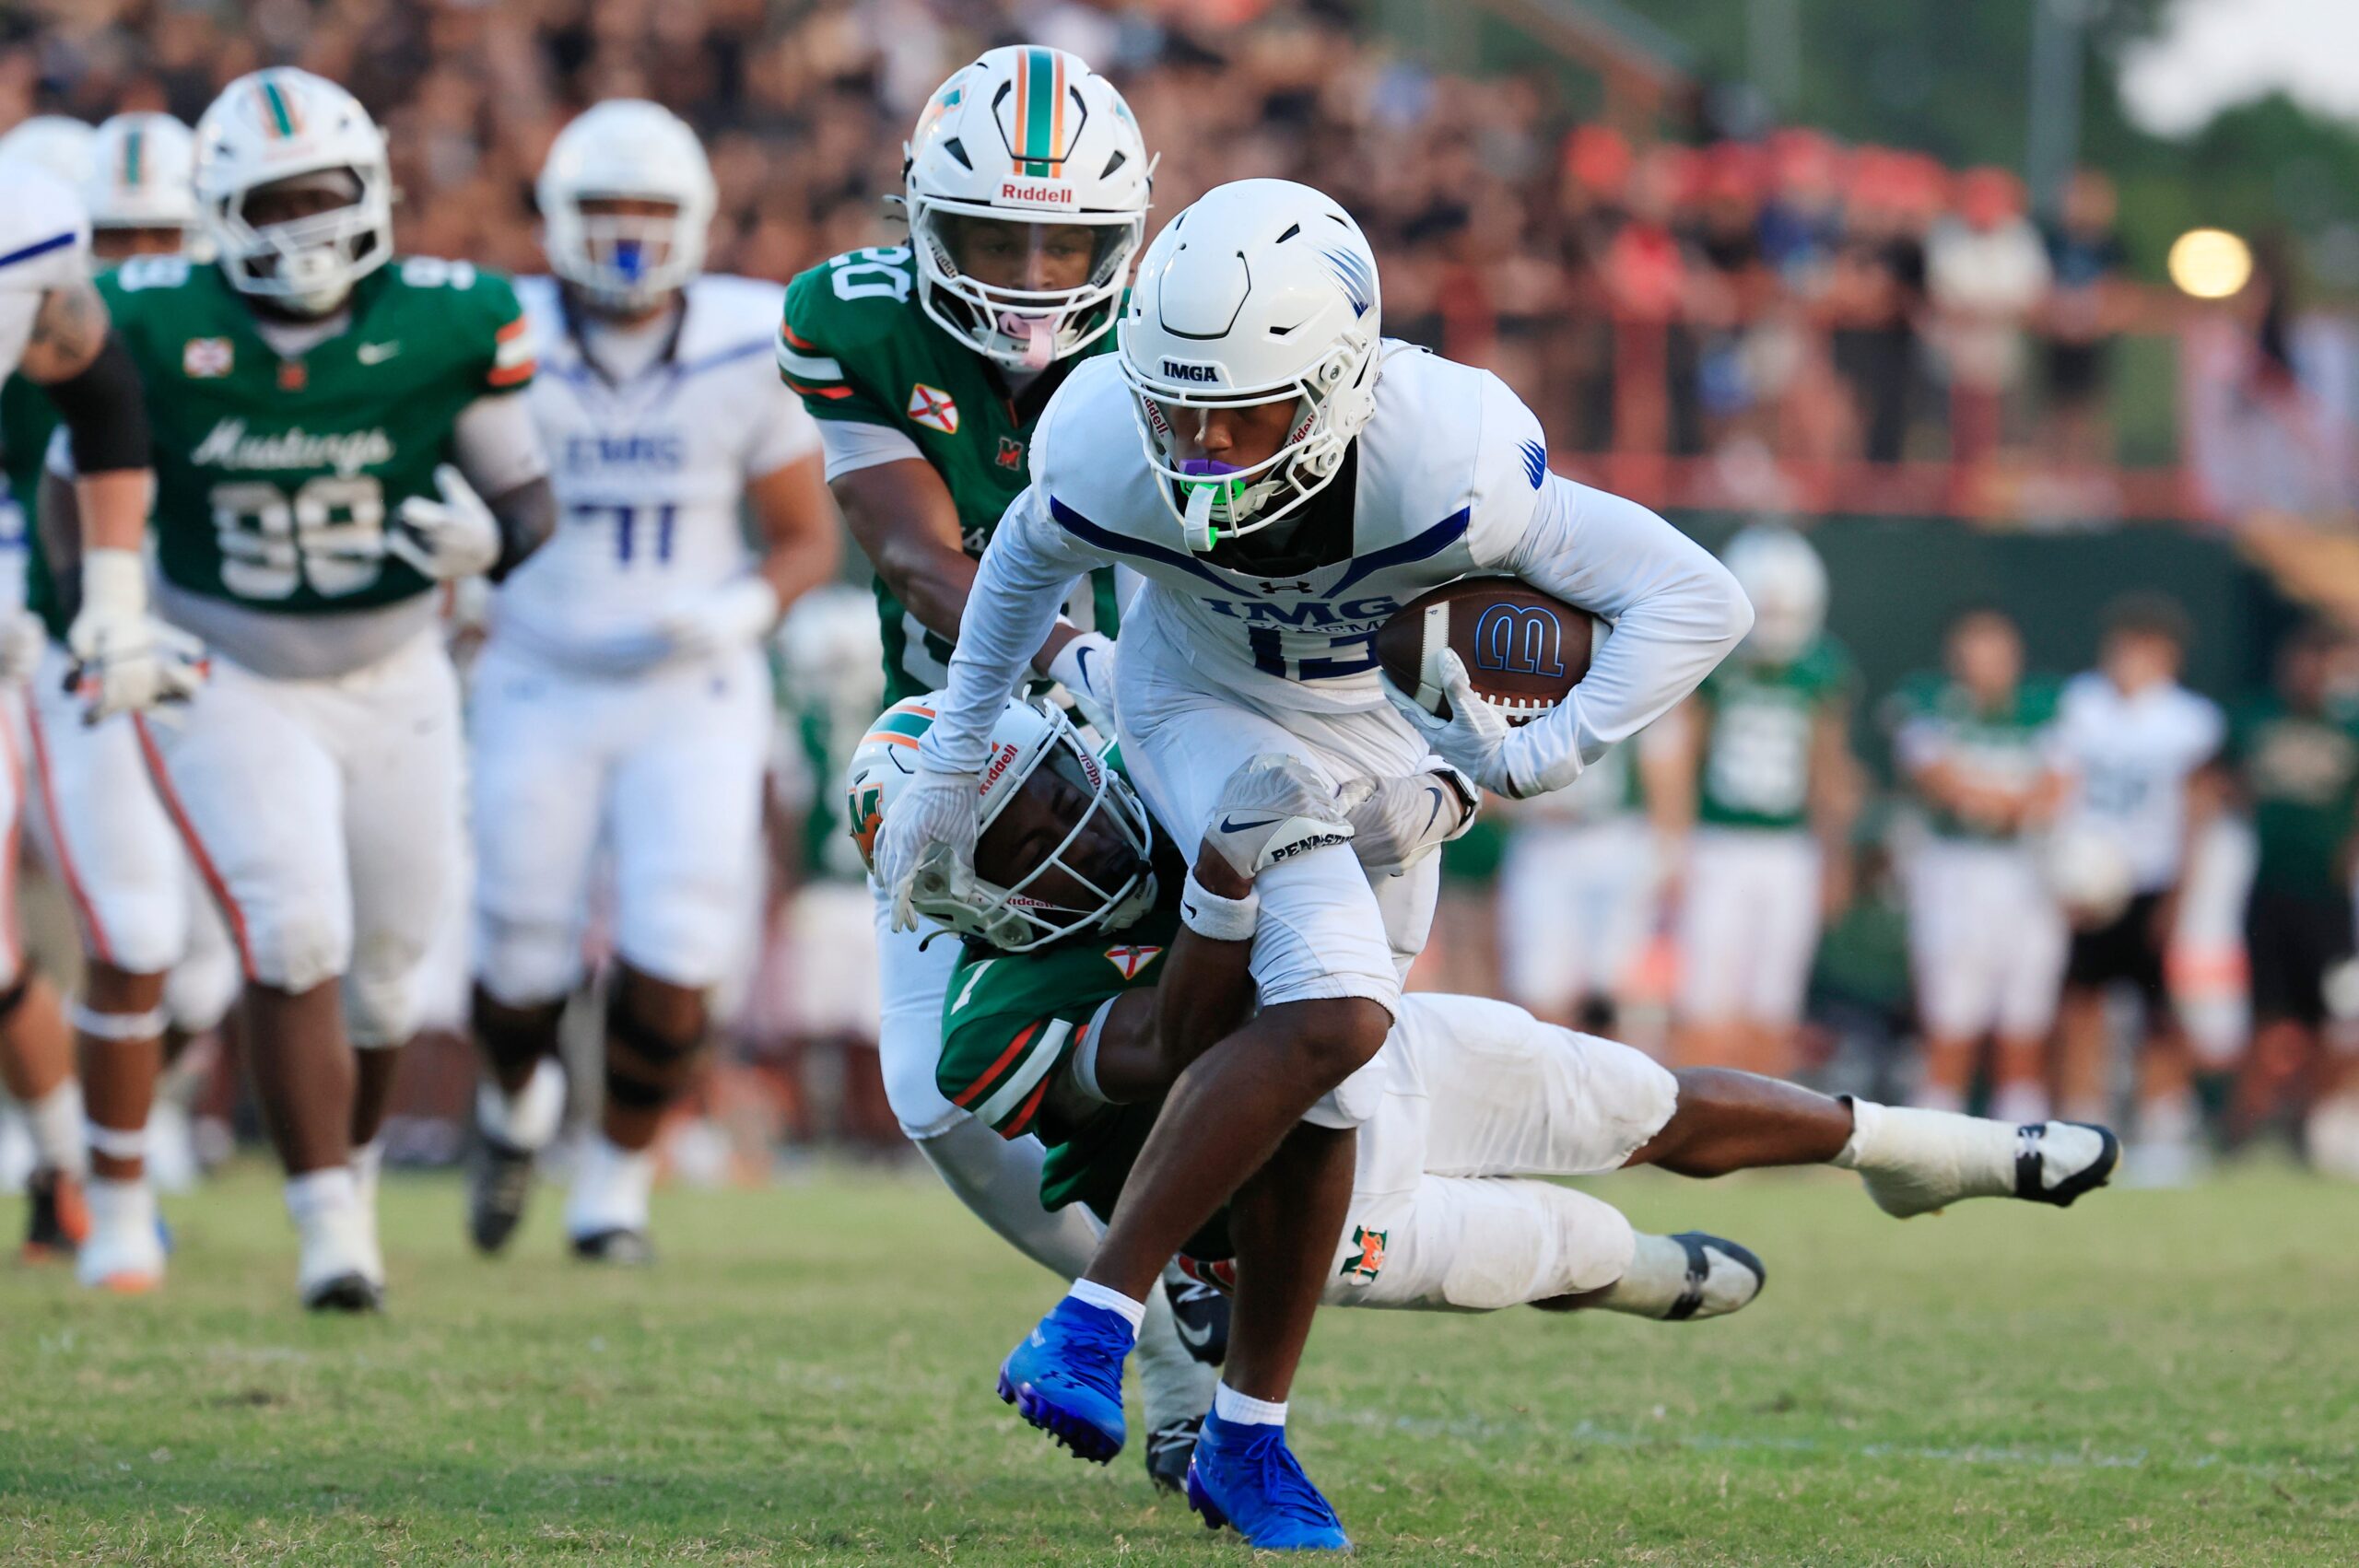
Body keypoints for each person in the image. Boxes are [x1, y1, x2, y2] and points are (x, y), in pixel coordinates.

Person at [874, 175, 1754, 1548]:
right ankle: (1093, 1322)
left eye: (1245, 413)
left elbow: (1698, 594)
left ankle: (1247, 1439)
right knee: (1338, 1008)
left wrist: (1537, 752)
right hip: (1202, 711)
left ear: (1341, 381)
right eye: (1181, 410)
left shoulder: (1445, 457)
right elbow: (1021, 566)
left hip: (1382, 741)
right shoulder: (1109, 432)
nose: (1207, 448)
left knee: (1331, 1092)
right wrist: (953, 751)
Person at [869, 692, 2118, 1549]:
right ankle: (1645, 1276)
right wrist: (1220, 877)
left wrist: (1430, 782)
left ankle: (1910, 1150)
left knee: (1640, 1094)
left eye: (1057, 785)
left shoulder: (1154, 766)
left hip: (1384, 1050)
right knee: (1568, 1243)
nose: (1071, 825)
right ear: (955, 894)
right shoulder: (985, 1026)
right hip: (1305, 1208)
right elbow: (1173, 1041)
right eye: (1022, 836)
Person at [42, 68, 556, 1310]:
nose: (303, 225)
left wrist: (492, 546)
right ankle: (330, 1226)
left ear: (373, 187)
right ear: (218, 212)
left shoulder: (454, 317)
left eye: (322, 194)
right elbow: (72, 485)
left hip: (393, 668)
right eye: (270, 204)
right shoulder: (148, 317)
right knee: (293, 927)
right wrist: (96, 613)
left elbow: (525, 496)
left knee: (386, 968)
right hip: (226, 663)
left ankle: (354, 1174)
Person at [779, 47, 1217, 1491]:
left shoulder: (1192, 324)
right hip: (981, 768)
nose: (1030, 275)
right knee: (940, 1094)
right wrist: (1063, 666)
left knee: (1272, 1035)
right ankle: (1168, 1322)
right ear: (918, 213)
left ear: (1130, 235)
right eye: (993, 238)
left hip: (1189, 740)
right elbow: (912, 550)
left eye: (1063, 242)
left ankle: (1223, 1320)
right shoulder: (852, 318)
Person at [462, 99, 836, 1265]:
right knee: (521, 955)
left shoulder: (744, 336)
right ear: (560, 218)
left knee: (678, 952)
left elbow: (801, 537)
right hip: (535, 666)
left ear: (695, 222)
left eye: (650, 210)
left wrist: (737, 607)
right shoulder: (498, 331)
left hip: (691, 683)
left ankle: (614, 1186)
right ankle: (513, 1106)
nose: (627, 234)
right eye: (606, 208)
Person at [8, 111, 244, 1293]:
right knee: (128, 935)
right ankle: (98, 1190)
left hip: (213, 663)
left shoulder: (235, 330)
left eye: (165, 232)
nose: (141, 258)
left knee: (210, 963)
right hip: (64, 657)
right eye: (119, 234)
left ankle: (100, 1153)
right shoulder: (42, 297)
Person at [1659, 524, 1858, 1077]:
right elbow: (1680, 755)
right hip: (1718, 841)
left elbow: (1827, 770)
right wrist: (1672, 847)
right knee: (1704, 998)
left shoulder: (1822, 667)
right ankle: (1695, 1129)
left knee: (1775, 1002)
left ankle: (1761, 1131)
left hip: (1788, 848)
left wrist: (1834, 855)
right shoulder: (1714, 659)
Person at [2050, 594, 2224, 1181]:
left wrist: (2182, 891)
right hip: (2088, 875)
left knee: (2159, 1011)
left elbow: (2197, 810)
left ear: (2166, 654)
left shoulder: (2188, 719)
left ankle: (2163, 1125)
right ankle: (2082, 1122)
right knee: (2082, 1002)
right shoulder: (2083, 703)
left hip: (2152, 876)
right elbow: (2060, 786)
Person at [1887, 606, 2070, 1119]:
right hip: (1955, 869)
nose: (1985, 663)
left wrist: (1997, 802)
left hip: (2026, 871)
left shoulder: (2044, 706)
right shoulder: (1928, 703)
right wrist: (2012, 802)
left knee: (2025, 1013)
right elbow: (1943, 785)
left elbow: (2057, 789)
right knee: (1950, 1012)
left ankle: (2022, 1131)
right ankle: (1936, 1127)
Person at [2223, 626, 2359, 1144]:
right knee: (2266, 1016)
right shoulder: (2257, 718)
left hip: (2326, 894)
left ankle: (2314, 1125)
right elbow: (2219, 778)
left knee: (2330, 1016)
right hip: (2270, 887)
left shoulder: (2348, 726)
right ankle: (2242, 1129)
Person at [1493, 735, 1660, 1035]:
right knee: (1539, 989)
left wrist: (1668, 841)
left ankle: (1604, 1077)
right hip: (1544, 838)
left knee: (1610, 988)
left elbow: (1661, 757)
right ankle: (1549, 1076)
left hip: (1612, 834)